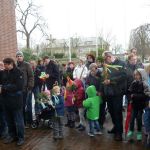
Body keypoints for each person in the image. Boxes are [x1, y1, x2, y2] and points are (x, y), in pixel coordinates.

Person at [101, 51, 127, 141]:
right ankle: (116, 127)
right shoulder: (106, 65)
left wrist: (111, 80)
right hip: (108, 92)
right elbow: (104, 76)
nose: (105, 61)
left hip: (117, 92)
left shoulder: (121, 63)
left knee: (117, 112)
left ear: (110, 56)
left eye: (106, 58)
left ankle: (119, 133)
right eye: (104, 59)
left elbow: (124, 75)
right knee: (111, 111)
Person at [1, 58, 24, 146]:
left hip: (16, 101)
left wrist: (4, 88)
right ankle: (12, 135)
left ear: (10, 63)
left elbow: (19, 86)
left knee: (18, 120)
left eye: (5, 64)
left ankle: (21, 137)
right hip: (6, 101)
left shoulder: (19, 72)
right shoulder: (4, 72)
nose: (4, 66)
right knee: (9, 120)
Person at [127, 69, 150, 141]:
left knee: (139, 119)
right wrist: (130, 97)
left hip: (141, 105)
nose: (136, 76)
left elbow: (146, 95)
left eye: (137, 75)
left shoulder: (144, 84)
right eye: (135, 75)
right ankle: (131, 130)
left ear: (141, 75)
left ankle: (139, 132)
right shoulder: (133, 83)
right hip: (133, 104)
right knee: (132, 118)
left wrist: (135, 95)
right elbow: (129, 91)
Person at [16, 51, 34, 127]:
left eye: (20, 56)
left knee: (27, 105)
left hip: (26, 89)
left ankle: (29, 121)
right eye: (18, 56)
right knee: (21, 106)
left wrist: (29, 86)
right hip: (18, 90)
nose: (19, 57)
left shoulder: (27, 65)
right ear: (16, 57)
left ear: (23, 57)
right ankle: (23, 122)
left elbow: (31, 76)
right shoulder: (15, 66)